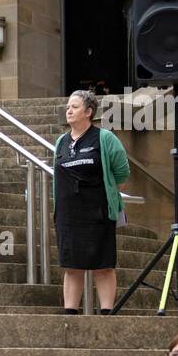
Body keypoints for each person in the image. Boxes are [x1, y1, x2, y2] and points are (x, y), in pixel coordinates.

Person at [54, 90, 131, 314]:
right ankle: (70, 313)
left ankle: (106, 312)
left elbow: (122, 173)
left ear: (88, 112)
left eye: (74, 107)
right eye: (68, 106)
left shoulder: (105, 138)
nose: (68, 110)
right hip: (68, 214)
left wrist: (108, 194)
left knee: (103, 266)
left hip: (97, 213)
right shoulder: (61, 141)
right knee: (71, 266)